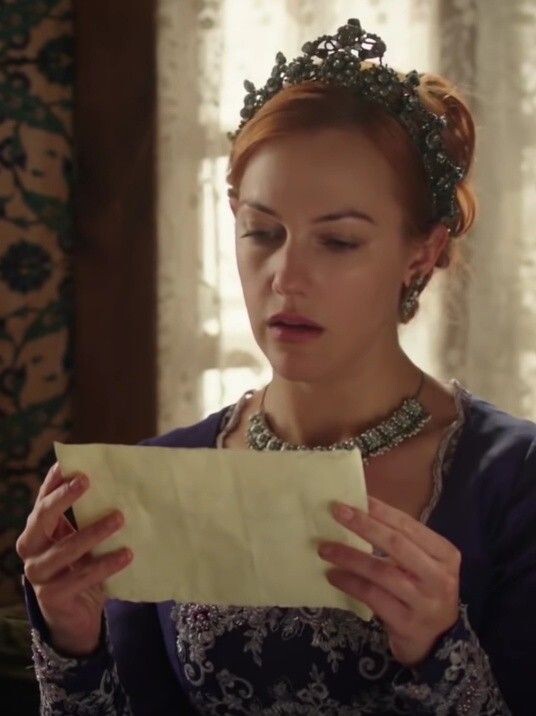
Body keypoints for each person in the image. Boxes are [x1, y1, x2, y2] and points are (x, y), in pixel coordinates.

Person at [16, 18, 535, 715]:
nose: (286, 278)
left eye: (339, 241)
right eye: (262, 233)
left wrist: (442, 651)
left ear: (423, 251)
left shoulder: (513, 479)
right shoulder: (162, 477)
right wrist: (72, 643)